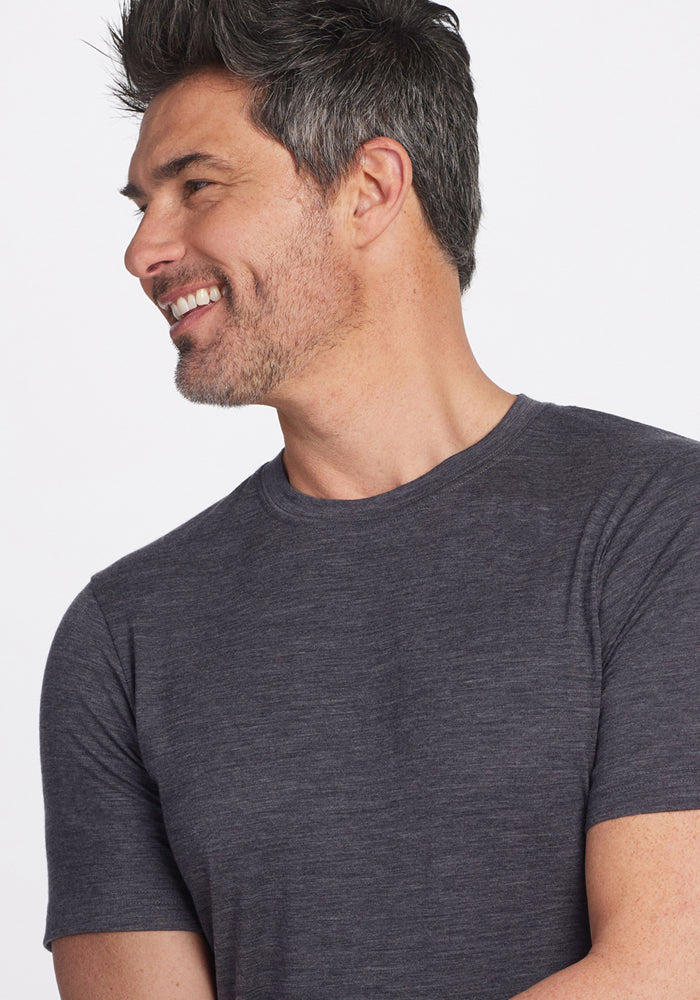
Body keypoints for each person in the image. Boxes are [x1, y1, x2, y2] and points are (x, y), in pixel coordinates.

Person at [40, 1, 700, 997]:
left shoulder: (657, 527)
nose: (143, 250)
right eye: (142, 203)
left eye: (195, 187)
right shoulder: (122, 638)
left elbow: (665, 968)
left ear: (368, 187)